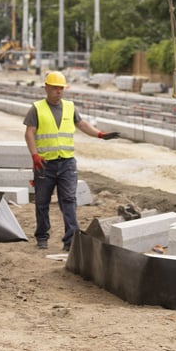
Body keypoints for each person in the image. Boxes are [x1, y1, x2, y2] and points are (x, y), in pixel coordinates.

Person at [24, 71, 120, 251]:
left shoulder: (69, 107)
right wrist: (35, 155)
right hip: (44, 164)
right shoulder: (36, 108)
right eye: (54, 88)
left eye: (61, 88)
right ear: (46, 88)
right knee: (42, 202)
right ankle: (42, 236)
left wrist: (100, 134)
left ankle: (71, 240)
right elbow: (29, 132)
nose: (58, 91)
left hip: (67, 163)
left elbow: (82, 124)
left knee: (68, 199)